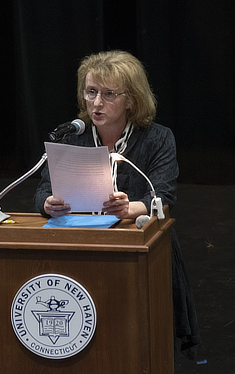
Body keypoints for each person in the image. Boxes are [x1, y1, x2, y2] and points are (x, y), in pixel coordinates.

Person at [34, 50, 200, 359]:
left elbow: (163, 198)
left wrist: (131, 208)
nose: (96, 103)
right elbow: (41, 191)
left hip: (138, 245)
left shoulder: (157, 138)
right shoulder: (72, 138)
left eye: (109, 94)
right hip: (80, 245)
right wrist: (48, 204)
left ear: (131, 99)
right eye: (91, 92)